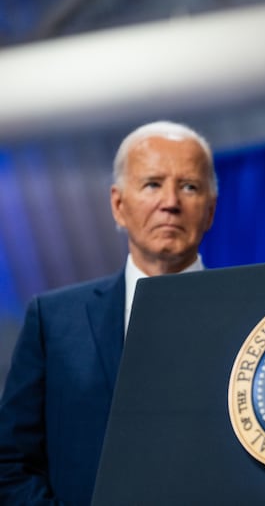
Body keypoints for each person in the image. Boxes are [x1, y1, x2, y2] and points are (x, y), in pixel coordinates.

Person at [0, 120, 218, 505]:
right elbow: (10, 461)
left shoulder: (252, 314)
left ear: (210, 209)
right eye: (152, 184)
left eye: (189, 186)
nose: (170, 202)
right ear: (118, 205)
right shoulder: (53, 322)